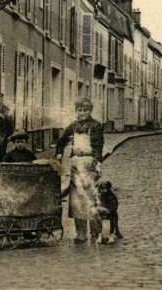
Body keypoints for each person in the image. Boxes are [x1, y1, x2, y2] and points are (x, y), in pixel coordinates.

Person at [55, 98, 106, 244]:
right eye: (79, 110)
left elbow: (98, 146)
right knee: (77, 200)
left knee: (92, 198)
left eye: (85, 110)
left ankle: (96, 233)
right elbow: (62, 141)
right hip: (76, 164)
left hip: (90, 163)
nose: (82, 113)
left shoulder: (96, 126)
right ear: (76, 111)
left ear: (90, 111)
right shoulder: (72, 126)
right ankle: (81, 233)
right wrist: (59, 153)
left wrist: (97, 163)